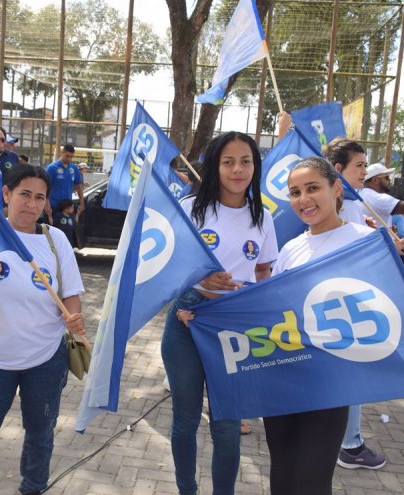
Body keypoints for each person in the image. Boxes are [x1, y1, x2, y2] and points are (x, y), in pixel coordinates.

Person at [263, 156, 404, 494]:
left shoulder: (367, 241)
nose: (303, 200)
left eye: (313, 188)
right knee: (281, 478)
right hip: (285, 382)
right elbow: (271, 313)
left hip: (332, 386)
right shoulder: (290, 250)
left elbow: (403, 310)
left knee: (311, 483)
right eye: (295, 192)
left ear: (337, 188)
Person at [0, 165, 85, 495]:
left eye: (40, 197)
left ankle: (33, 488)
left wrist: (74, 317)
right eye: (25, 194)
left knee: (41, 434)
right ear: (6, 194)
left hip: (46, 360)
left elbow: (72, 294)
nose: (32, 203)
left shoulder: (56, 240)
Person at [161, 131, 278, 495]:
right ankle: (187, 489)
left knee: (227, 426)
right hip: (188, 320)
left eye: (246, 161)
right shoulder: (191, 208)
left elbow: (263, 272)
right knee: (186, 420)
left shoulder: (264, 217)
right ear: (215, 166)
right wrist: (198, 279)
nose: (237, 169)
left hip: (234, 326)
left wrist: (252, 299)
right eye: (228, 161)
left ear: (255, 166)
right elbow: (168, 268)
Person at [326, 138, 387, 470]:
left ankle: (347, 441)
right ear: (338, 170)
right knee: (350, 373)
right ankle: (349, 445)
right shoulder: (340, 205)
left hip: (349, 301)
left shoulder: (353, 204)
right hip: (341, 303)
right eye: (360, 165)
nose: (365, 171)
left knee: (348, 373)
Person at [44, 144, 84, 225]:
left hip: (67, 208)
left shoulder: (74, 168)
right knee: (51, 233)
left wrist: (82, 203)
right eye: (67, 156)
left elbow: (79, 186)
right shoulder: (52, 168)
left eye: (71, 157)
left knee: (67, 233)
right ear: (62, 153)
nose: (69, 159)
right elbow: (44, 187)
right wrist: (46, 204)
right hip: (53, 207)